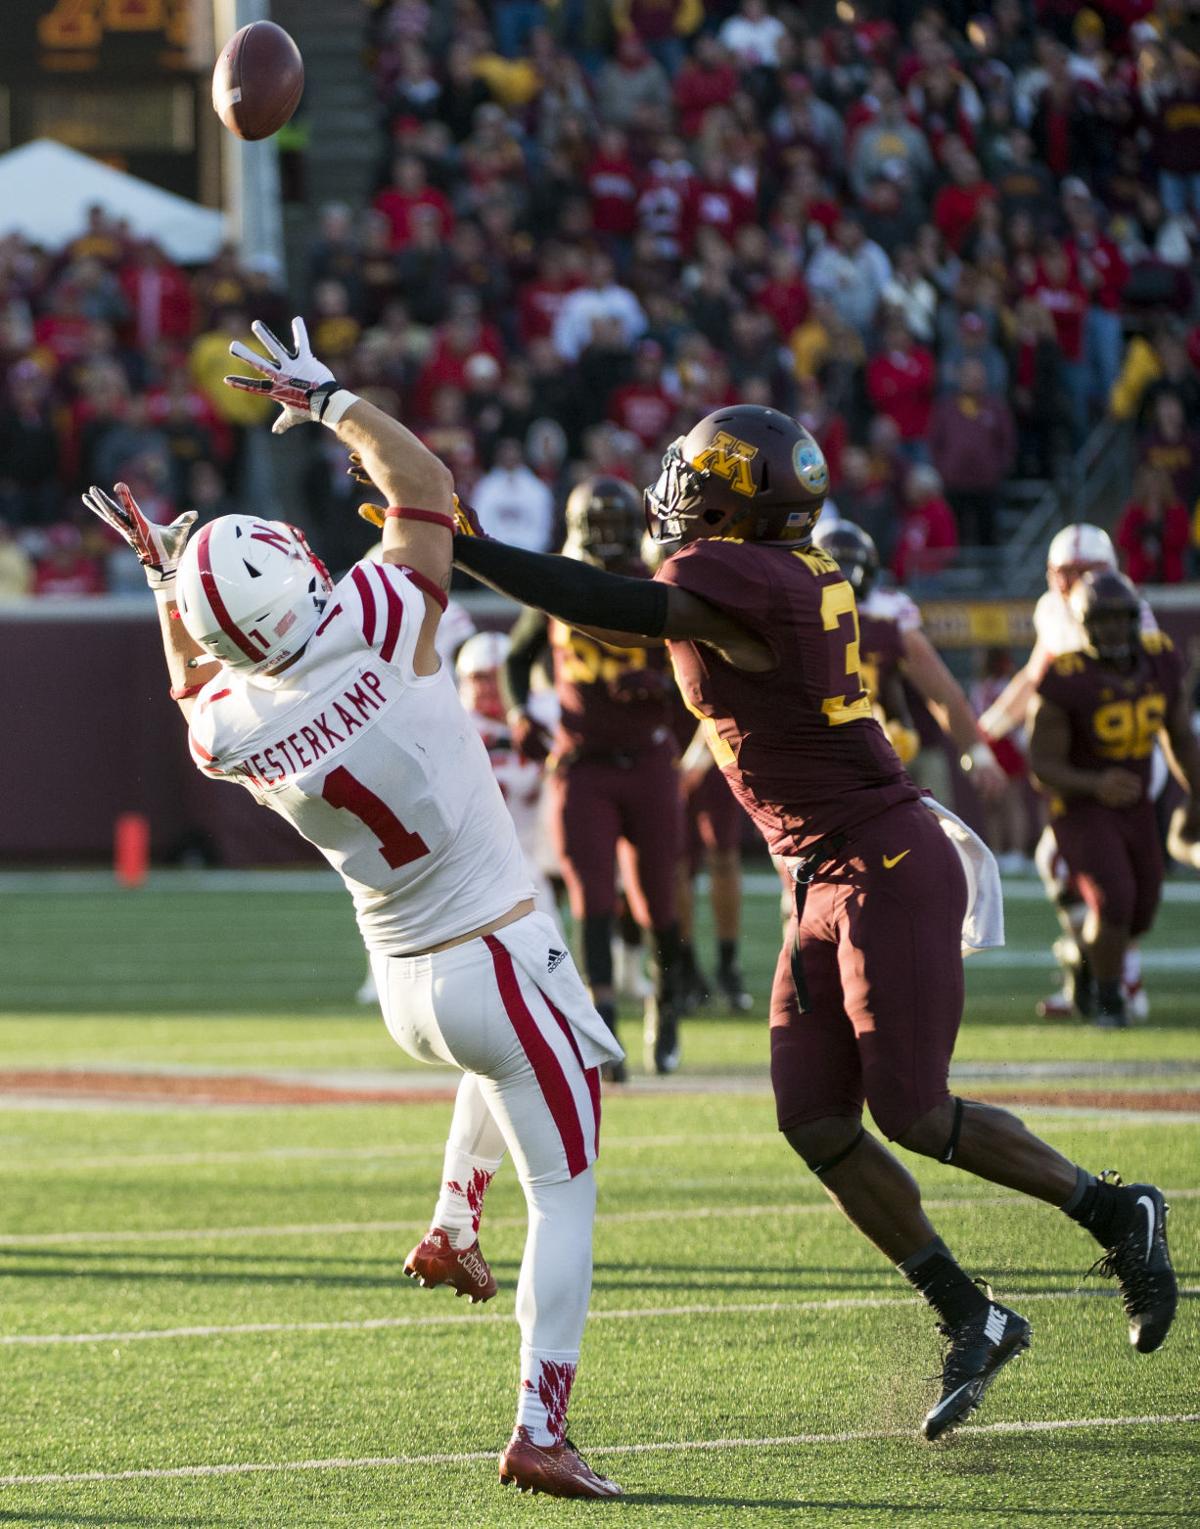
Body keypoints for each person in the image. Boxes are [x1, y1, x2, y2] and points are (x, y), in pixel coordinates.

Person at [449, 402, 1180, 1441]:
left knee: (913, 1109)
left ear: (743, 498)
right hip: (821, 872)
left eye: (702, 477)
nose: (682, 491)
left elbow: (608, 599)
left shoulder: (745, 576)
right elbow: (617, 619)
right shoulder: (761, 574)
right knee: (816, 1118)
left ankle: (1115, 1210)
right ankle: (971, 1312)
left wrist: (469, 548)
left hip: (880, 862)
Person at [81, 317, 622, 1500]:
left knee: (518, 1073)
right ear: (296, 570)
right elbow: (423, 485)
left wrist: (172, 584)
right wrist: (327, 399)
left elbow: (192, 683)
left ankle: (453, 1221)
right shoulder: (377, 620)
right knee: (571, 1190)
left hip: (410, 984)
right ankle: (540, 1422)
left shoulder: (231, 729)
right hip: (491, 950)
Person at [503, 476, 683, 1079]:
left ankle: (667, 1004)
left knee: (660, 900)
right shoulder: (563, 581)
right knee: (593, 899)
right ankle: (603, 1022)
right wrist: (517, 711)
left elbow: (700, 663)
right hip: (582, 765)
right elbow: (516, 658)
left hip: (650, 759)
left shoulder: (659, 580)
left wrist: (663, 686)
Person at [979, 523, 1159, 1020]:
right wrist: (984, 732)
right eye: (1066, 573)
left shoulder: (1130, 620)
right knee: (1065, 869)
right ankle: (1094, 972)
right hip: (1077, 770)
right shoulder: (1051, 610)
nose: (1077, 583)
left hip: (1125, 766)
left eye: (1088, 572)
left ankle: (1111, 975)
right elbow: (1034, 674)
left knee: (1100, 881)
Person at [1028, 571, 1200, 1028]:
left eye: (1121, 620)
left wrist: (1198, 788)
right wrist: (1095, 782)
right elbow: (1042, 765)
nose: (1113, 631)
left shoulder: (1159, 660)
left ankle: (1082, 955)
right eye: (1101, 621)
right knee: (1115, 900)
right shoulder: (1067, 675)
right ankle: (1108, 1003)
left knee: (1140, 912)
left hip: (1136, 807)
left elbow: (1179, 735)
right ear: (1084, 625)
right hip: (1080, 809)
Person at [813, 521, 1006, 805]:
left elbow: (941, 692)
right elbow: (944, 693)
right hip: (875, 750)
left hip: (885, 749)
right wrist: (976, 752)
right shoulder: (888, 614)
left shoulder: (880, 615)